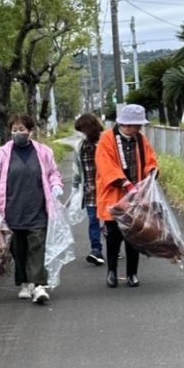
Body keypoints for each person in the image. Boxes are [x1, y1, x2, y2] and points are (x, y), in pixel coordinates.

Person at [0, 114, 63, 304]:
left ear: (30, 131)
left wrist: (56, 185)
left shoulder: (43, 152)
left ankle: (39, 285)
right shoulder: (3, 153)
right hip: (11, 208)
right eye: (14, 130)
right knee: (18, 248)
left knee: (37, 245)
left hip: (37, 207)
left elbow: (53, 173)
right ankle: (25, 282)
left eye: (22, 130)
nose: (18, 133)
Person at [95, 104, 158, 288]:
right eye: (136, 125)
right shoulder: (107, 139)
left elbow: (150, 160)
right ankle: (112, 272)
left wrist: (153, 171)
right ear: (126, 124)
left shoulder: (141, 140)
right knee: (113, 236)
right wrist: (124, 182)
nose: (138, 128)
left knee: (134, 236)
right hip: (114, 195)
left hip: (136, 197)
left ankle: (132, 274)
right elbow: (105, 165)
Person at [72, 113, 105, 266]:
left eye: (84, 129)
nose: (82, 133)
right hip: (90, 190)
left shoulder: (105, 142)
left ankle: (113, 245)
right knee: (93, 221)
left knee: (112, 221)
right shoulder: (81, 146)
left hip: (108, 189)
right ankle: (96, 250)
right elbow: (78, 168)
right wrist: (75, 186)